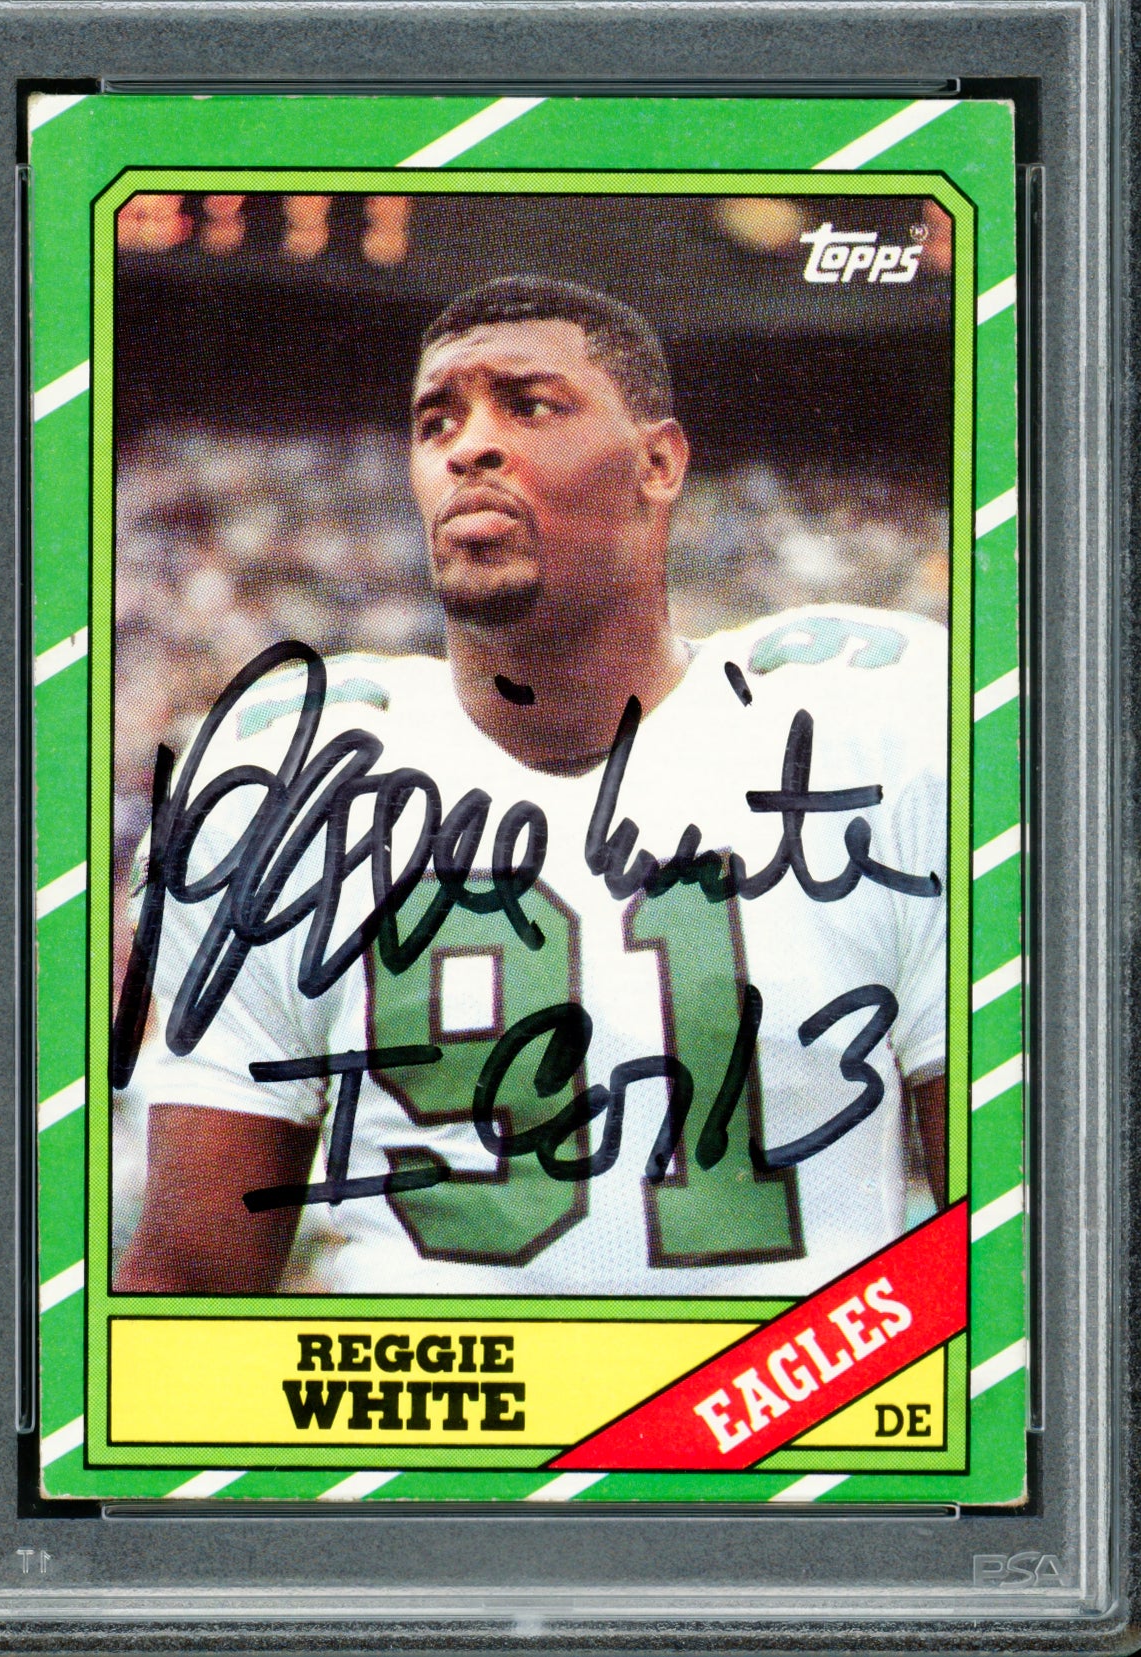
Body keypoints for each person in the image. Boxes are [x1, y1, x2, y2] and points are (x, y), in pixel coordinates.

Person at [115, 274, 947, 1299]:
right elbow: (194, 1275)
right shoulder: (288, 767)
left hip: (791, 1400)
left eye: (529, 404)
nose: (468, 444)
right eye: (436, 419)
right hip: (425, 1401)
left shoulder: (871, 717)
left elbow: (1002, 1236)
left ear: (656, 462)